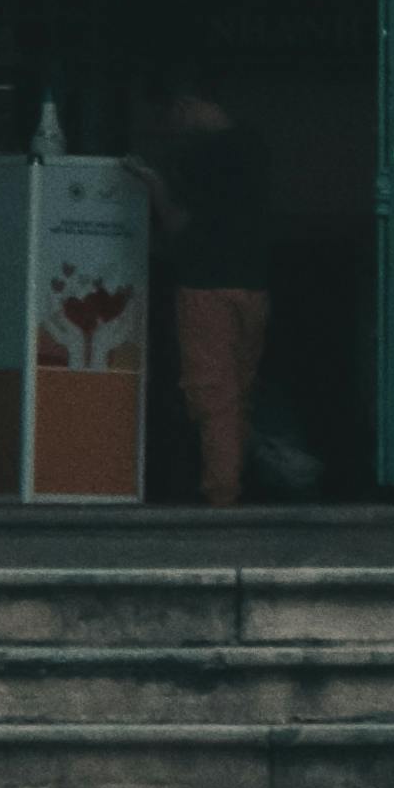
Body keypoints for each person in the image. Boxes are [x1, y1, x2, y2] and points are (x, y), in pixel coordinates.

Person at [142, 73, 273, 513]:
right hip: (253, 285)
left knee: (212, 393)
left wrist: (152, 182)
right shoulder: (254, 147)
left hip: (204, 285)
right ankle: (233, 482)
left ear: (184, 105)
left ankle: (222, 495)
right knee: (241, 390)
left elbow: (180, 226)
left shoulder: (194, 156)